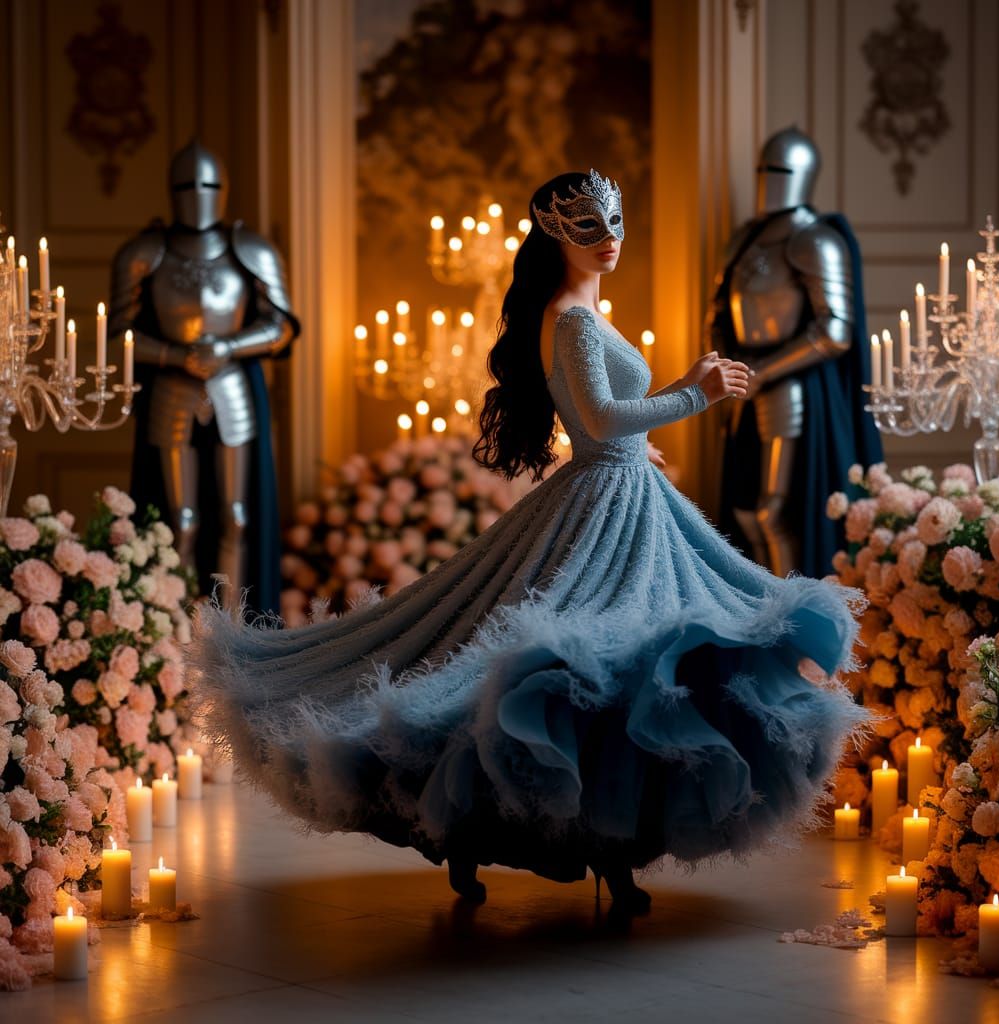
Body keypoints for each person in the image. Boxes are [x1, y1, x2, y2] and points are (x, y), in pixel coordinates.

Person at [190, 170, 875, 916]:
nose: (608, 240)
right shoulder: (573, 318)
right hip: (602, 500)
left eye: (614, 223)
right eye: (588, 228)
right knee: (592, 658)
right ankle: (591, 835)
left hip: (624, 490)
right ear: (555, 234)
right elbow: (605, 416)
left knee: (632, 654)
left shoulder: (583, 310)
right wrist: (694, 391)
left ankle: (610, 840)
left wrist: (636, 444)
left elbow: (601, 422)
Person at [110, 139, 299, 614]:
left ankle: (229, 635)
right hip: (171, 391)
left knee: (236, 518)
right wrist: (177, 355)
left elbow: (280, 326)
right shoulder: (144, 253)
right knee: (180, 523)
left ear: (223, 188)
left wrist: (227, 346)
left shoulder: (251, 249)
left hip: (231, 388)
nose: (197, 193)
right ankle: (173, 631)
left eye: (206, 184)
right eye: (188, 184)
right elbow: (118, 334)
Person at [707, 127, 882, 578]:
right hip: (741, 383)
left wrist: (764, 369)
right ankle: (765, 607)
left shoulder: (815, 240)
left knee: (772, 512)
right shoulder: (744, 238)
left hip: (791, 385)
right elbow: (718, 313)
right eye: (763, 170)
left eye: (777, 170)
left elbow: (836, 329)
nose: (769, 178)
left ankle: (792, 614)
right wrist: (728, 364)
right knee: (744, 512)